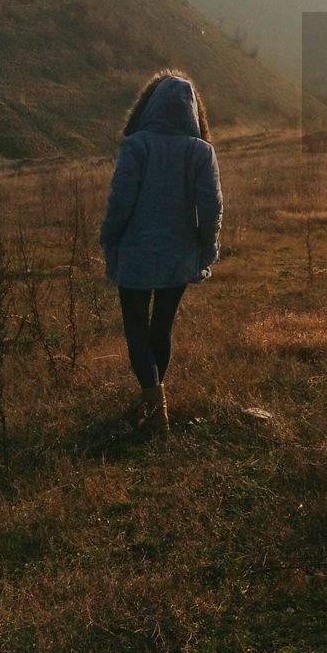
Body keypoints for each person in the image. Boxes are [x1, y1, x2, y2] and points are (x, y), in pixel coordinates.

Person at [99, 71, 223, 436]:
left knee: (135, 329)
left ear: (149, 106)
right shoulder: (201, 151)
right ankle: (153, 406)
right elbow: (212, 204)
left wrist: (110, 237)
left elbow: (120, 201)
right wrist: (205, 245)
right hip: (178, 255)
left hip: (137, 254)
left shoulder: (136, 146)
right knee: (161, 329)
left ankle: (155, 410)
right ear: (193, 111)